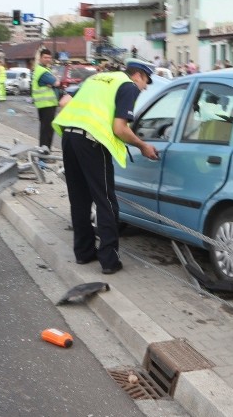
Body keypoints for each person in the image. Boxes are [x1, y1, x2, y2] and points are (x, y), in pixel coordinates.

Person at [52, 58, 159, 275]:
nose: (145, 86)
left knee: (79, 199)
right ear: (138, 75)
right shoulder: (128, 86)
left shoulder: (97, 78)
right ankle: (110, 261)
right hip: (92, 142)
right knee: (106, 201)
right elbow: (119, 128)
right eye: (146, 80)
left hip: (69, 137)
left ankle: (84, 253)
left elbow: (64, 103)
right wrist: (142, 145)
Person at [32, 49, 61, 150]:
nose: (48, 59)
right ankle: (44, 153)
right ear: (40, 58)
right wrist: (55, 80)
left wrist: (53, 82)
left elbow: (53, 83)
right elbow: (57, 83)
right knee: (47, 131)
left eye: (49, 57)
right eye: (45, 57)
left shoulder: (43, 70)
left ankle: (44, 151)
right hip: (46, 104)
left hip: (45, 104)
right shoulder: (43, 71)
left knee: (46, 130)